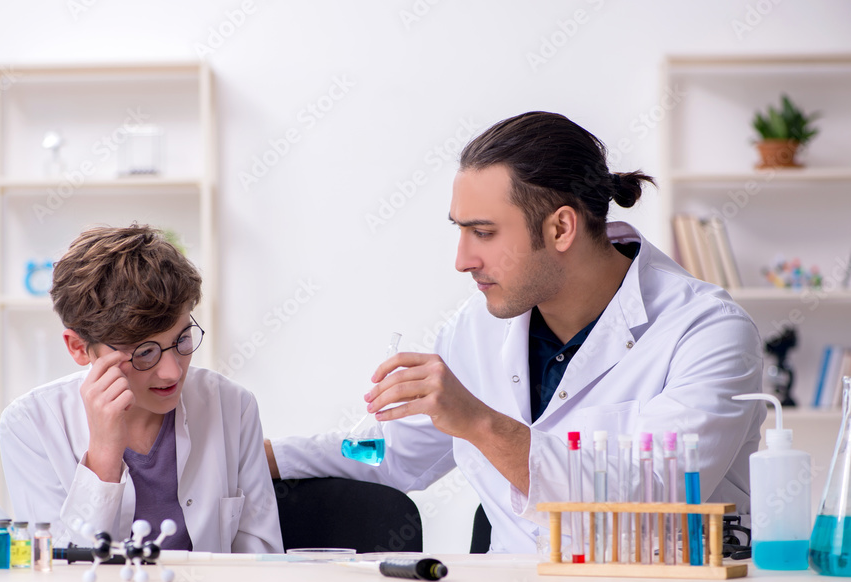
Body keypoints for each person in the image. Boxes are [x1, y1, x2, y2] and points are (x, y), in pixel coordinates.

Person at [265, 111, 764, 553]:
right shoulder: (475, 328)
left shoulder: (705, 332)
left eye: (483, 233)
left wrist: (480, 422)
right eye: (459, 230)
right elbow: (394, 454)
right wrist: (256, 455)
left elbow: (647, 502)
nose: (462, 260)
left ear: (561, 229)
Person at [0, 225, 282, 553]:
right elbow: (58, 571)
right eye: (144, 353)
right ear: (78, 347)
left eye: (182, 340)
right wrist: (104, 454)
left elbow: (262, 559)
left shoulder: (232, 405)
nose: (172, 371)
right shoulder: (30, 423)